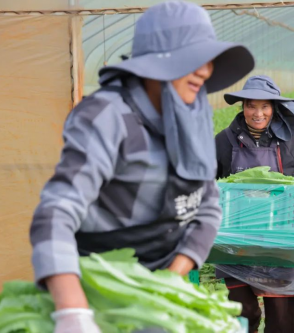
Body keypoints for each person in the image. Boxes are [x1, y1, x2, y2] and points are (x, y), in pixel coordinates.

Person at [29, 2, 254, 332]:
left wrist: (165, 283)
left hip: (160, 281)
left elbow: (207, 206)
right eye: (194, 57)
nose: (206, 71)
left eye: (208, 60)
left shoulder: (194, 114)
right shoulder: (107, 116)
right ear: (158, 61)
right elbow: (56, 213)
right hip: (99, 288)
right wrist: (72, 310)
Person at [215, 75, 294, 333]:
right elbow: (205, 179)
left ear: (274, 108)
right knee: (244, 313)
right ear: (242, 106)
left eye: (264, 106)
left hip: (282, 242)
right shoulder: (224, 141)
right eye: (251, 106)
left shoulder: (292, 141)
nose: (258, 113)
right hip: (237, 243)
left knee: (280, 320)